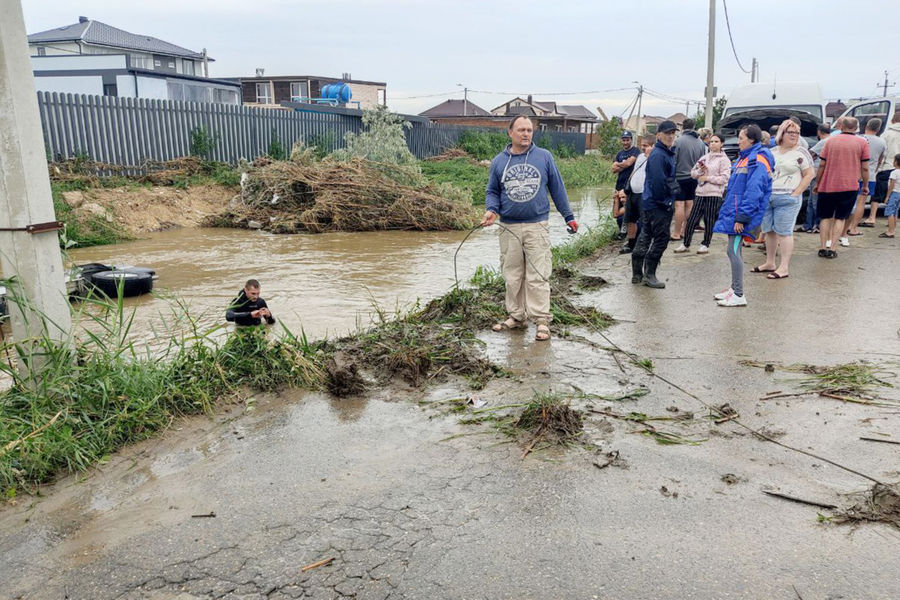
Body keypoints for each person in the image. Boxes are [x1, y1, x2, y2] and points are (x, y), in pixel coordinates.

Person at [482, 115, 577, 342]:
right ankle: (516, 317)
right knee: (512, 274)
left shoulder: (544, 157)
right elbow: (492, 191)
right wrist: (491, 210)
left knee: (538, 275)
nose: (526, 134)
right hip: (508, 227)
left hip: (537, 226)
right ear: (510, 133)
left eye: (529, 130)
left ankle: (541, 321)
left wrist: (569, 216)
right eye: (521, 130)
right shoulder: (498, 162)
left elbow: (557, 188)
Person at [712, 125, 773, 307]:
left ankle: (739, 294)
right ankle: (733, 289)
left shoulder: (756, 160)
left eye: (741, 138)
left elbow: (754, 191)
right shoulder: (743, 158)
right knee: (733, 250)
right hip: (735, 213)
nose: (738, 141)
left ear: (751, 140)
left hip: (741, 216)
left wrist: (742, 218)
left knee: (733, 250)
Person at [753, 120, 814, 279]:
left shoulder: (801, 153)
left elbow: (809, 174)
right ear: (782, 133)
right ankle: (770, 262)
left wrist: (797, 192)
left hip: (788, 198)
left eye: (797, 133)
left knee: (784, 233)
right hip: (769, 196)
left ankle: (784, 267)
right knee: (769, 231)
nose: (794, 135)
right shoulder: (772, 152)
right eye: (790, 132)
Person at [813, 116, 869, 258]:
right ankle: (832, 248)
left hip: (828, 184)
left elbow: (822, 164)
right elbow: (865, 168)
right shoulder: (862, 142)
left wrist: (817, 183)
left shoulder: (830, 141)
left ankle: (822, 247)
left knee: (825, 217)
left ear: (841, 127)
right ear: (856, 128)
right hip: (849, 185)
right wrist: (865, 185)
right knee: (840, 217)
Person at [631, 120, 678, 289]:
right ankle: (649, 274)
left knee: (645, 235)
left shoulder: (664, 152)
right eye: (667, 133)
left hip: (651, 202)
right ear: (659, 135)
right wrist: (667, 201)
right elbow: (658, 183)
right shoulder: (659, 155)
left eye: (673, 133)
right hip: (658, 204)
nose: (671, 136)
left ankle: (637, 273)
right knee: (661, 238)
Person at [674, 133, 730, 254]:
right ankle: (686, 243)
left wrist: (708, 178)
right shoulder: (704, 157)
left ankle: (705, 244)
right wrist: (700, 171)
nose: (713, 144)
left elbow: (724, 178)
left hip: (714, 193)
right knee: (692, 219)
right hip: (700, 192)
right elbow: (693, 173)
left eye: (716, 141)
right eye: (711, 142)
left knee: (709, 219)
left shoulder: (724, 160)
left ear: (722, 144)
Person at [848, 118, 885, 234]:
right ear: (878, 129)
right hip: (870, 175)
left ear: (866, 126)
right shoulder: (882, 142)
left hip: (853, 173)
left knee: (849, 201)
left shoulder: (858, 138)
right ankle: (853, 228)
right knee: (861, 203)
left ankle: (843, 227)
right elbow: (880, 160)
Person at [672, 118, 707, 241]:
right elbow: (703, 162)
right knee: (690, 204)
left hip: (679, 177)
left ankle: (676, 233)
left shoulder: (678, 141)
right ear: (694, 127)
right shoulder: (701, 143)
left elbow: (673, 161)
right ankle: (685, 231)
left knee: (679, 204)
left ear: (683, 127)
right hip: (694, 178)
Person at [620, 134, 654, 254]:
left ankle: (645, 244)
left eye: (645, 145)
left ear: (652, 146)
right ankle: (631, 243)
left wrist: (650, 156)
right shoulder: (639, 156)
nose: (643, 148)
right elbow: (635, 171)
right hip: (633, 192)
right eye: (642, 145)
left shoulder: (655, 158)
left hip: (644, 193)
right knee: (630, 219)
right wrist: (627, 186)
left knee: (645, 220)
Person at [869, 112, 900, 226]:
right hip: (899, 168)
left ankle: (872, 217)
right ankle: (893, 220)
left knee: (877, 193)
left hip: (887, 167)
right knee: (896, 194)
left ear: (892, 120)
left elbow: (882, 152)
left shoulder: (886, 134)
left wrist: (879, 167)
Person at [803, 123, 832, 233]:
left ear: (819, 132)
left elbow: (811, 153)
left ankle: (818, 225)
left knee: (815, 202)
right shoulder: (831, 140)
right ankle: (808, 225)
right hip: (820, 174)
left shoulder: (824, 142)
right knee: (811, 201)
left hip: (818, 174)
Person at [612, 131, 641, 238]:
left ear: (631, 140)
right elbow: (613, 169)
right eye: (623, 140)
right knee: (617, 209)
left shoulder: (635, 151)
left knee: (629, 210)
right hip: (619, 185)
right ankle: (622, 231)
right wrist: (624, 164)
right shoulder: (619, 153)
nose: (625, 142)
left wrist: (621, 164)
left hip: (630, 186)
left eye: (627, 140)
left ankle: (631, 232)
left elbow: (629, 163)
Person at [880, 153, 900, 238]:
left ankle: (890, 231)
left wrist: (887, 196)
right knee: (895, 212)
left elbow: (891, 185)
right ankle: (892, 229)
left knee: (890, 212)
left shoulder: (894, 172)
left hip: (894, 193)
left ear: (896, 162)